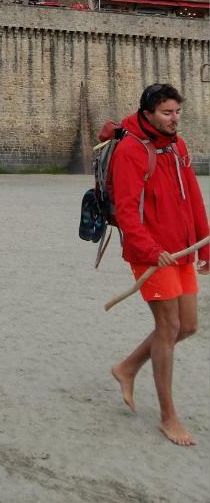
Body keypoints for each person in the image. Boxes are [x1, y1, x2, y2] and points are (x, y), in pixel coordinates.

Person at [109, 83, 209, 446]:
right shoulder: (130, 152)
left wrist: (205, 247)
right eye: (167, 113)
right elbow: (126, 212)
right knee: (168, 327)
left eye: (177, 112)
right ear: (148, 113)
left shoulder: (178, 145)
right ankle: (169, 416)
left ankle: (127, 367)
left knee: (189, 326)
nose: (174, 119)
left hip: (181, 250)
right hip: (151, 255)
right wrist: (151, 251)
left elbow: (192, 196)